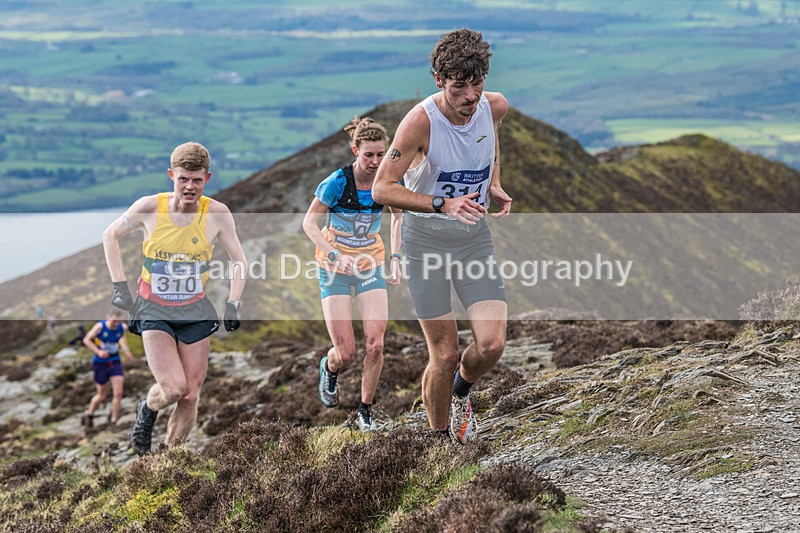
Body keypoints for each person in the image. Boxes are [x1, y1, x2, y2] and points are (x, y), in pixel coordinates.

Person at [372, 28, 513, 444]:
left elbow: (491, 140)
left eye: (477, 84)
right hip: (424, 243)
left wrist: (492, 181)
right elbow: (382, 189)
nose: (470, 96)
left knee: (491, 345)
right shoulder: (420, 122)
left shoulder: (495, 106)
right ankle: (438, 441)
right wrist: (441, 203)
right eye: (458, 87)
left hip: (472, 239)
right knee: (445, 354)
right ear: (439, 81)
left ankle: (462, 389)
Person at [102, 141, 247, 455]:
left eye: (197, 180)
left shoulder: (218, 214)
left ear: (207, 178)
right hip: (153, 307)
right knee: (172, 389)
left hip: (194, 308)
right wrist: (119, 287)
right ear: (171, 175)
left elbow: (240, 260)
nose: (190, 186)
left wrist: (233, 303)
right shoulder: (150, 207)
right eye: (183, 179)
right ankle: (148, 409)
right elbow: (110, 235)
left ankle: (169, 457)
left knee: (191, 395)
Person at [302, 116, 403, 432]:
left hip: (370, 265)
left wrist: (397, 256)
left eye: (381, 155)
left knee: (375, 344)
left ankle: (365, 411)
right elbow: (309, 223)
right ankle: (329, 367)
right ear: (355, 150)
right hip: (334, 270)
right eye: (368, 155)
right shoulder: (337, 183)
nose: (375, 162)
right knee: (346, 352)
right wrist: (334, 255)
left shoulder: (387, 182)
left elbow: (399, 217)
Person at [82, 308, 134, 427]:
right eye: (113, 321)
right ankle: (90, 412)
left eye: (117, 322)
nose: (115, 324)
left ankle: (114, 421)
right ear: (108, 318)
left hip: (115, 362)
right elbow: (86, 340)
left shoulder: (122, 327)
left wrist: (126, 351)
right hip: (100, 363)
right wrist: (98, 351)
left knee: (118, 392)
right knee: (102, 395)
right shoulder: (100, 327)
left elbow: (122, 337)